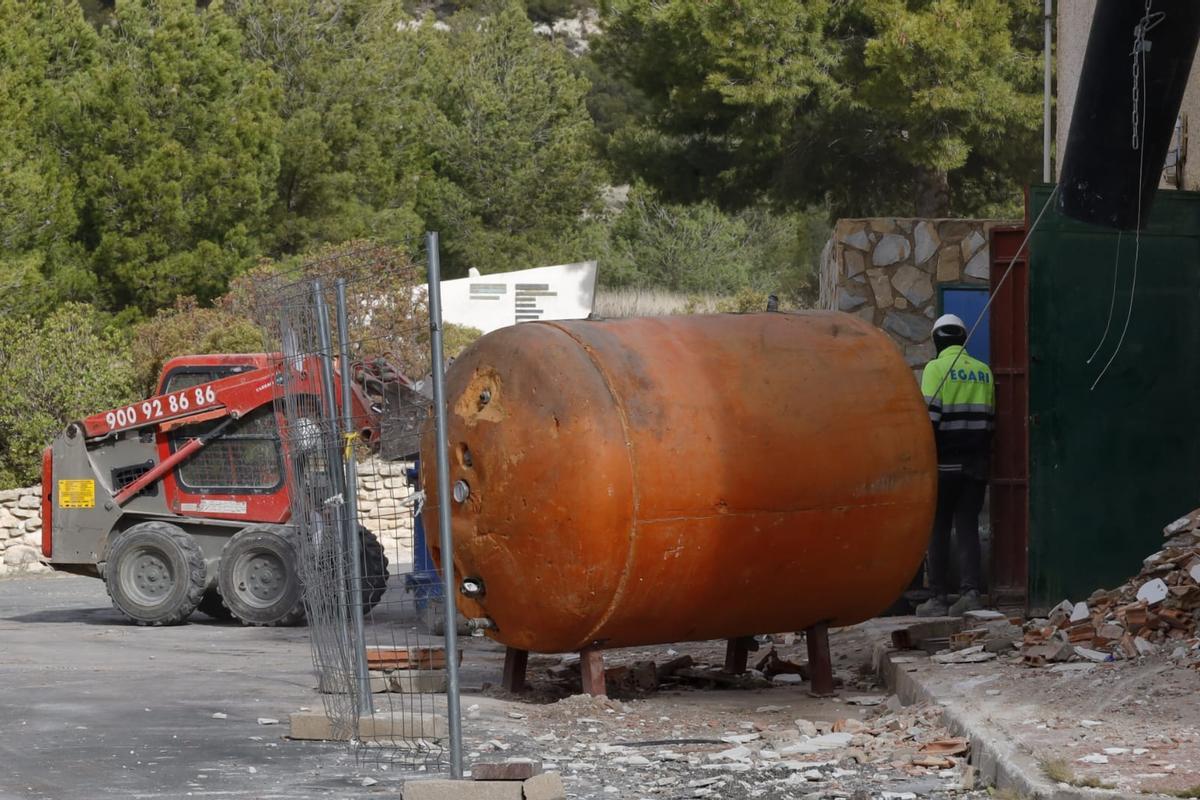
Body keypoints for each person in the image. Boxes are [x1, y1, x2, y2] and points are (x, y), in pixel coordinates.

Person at [915, 314, 995, 618]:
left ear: (937, 340)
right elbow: (989, 423)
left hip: (944, 466)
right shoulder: (984, 372)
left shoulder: (935, 369)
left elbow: (929, 423)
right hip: (976, 466)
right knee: (967, 527)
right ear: (963, 338)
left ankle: (937, 597)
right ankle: (971, 593)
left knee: (939, 527)